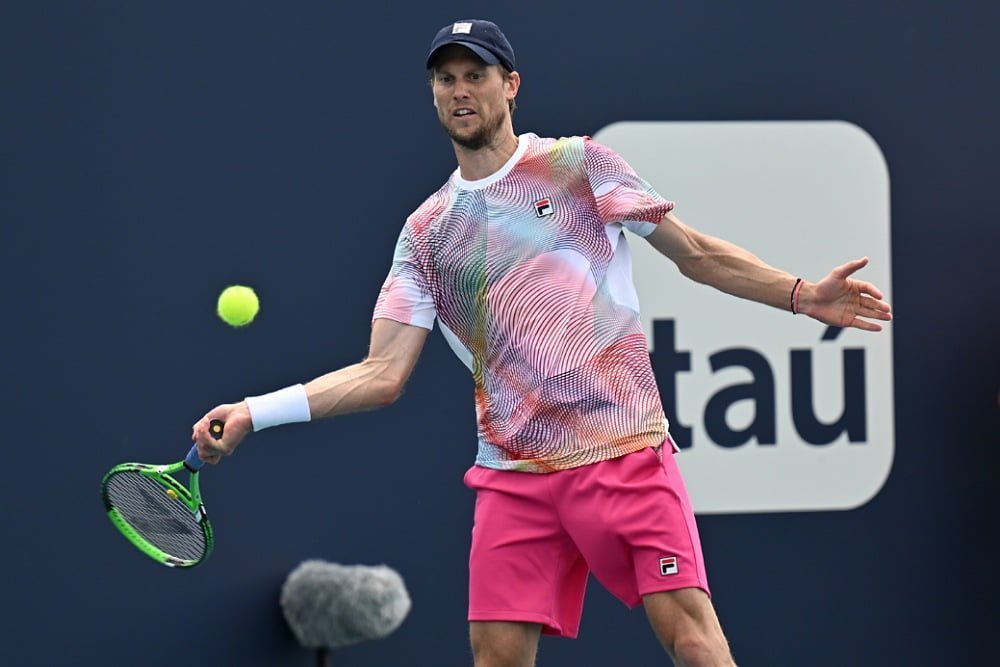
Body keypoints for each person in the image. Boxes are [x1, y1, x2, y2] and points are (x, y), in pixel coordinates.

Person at [192, 19, 892, 667]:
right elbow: (383, 372)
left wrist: (802, 296)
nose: (461, 90)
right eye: (446, 79)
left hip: (622, 452)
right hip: (514, 475)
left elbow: (698, 255)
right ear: (433, 95)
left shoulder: (579, 165)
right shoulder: (427, 233)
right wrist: (256, 410)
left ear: (510, 86)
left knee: (691, 638)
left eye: (476, 75)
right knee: (495, 655)